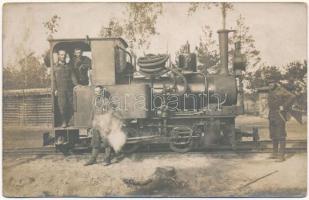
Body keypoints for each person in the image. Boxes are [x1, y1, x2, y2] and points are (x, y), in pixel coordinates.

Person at [84, 86, 121, 166]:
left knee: (106, 143)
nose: (97, 93)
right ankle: (93, 159)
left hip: (104, 125)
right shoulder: (94, 101)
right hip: (96, 124)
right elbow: (92, 112)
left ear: (102, 92)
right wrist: (91, 124)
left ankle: (107, 159)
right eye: (96, 91)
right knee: (95, 142)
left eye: (99, 91)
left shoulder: (107, 101)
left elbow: (110, 114)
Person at [267, 80, 295, 162]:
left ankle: (281, 156)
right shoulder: (270, 91)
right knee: (273, 134)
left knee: (281, 135)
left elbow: (292, 96)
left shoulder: (281, 90)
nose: (270, 84)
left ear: (275, 83)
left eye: (272, 83)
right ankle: (275, 153)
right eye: (269, 83)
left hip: (279, 114)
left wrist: (284, 106)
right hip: (272, 114)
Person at [54, 49, 78, 128]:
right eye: (61, 55)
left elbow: (73, 77)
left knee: (72, 105)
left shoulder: (68, 66)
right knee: (62, 106)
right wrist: (55, 89)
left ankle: (71, 121)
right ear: (58, 56)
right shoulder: (55, 67)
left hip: (69, 90)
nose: (63, 56)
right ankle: (64, 122)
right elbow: (53, 79)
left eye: (64, 55)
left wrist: (77, 85)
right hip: (60, 90)